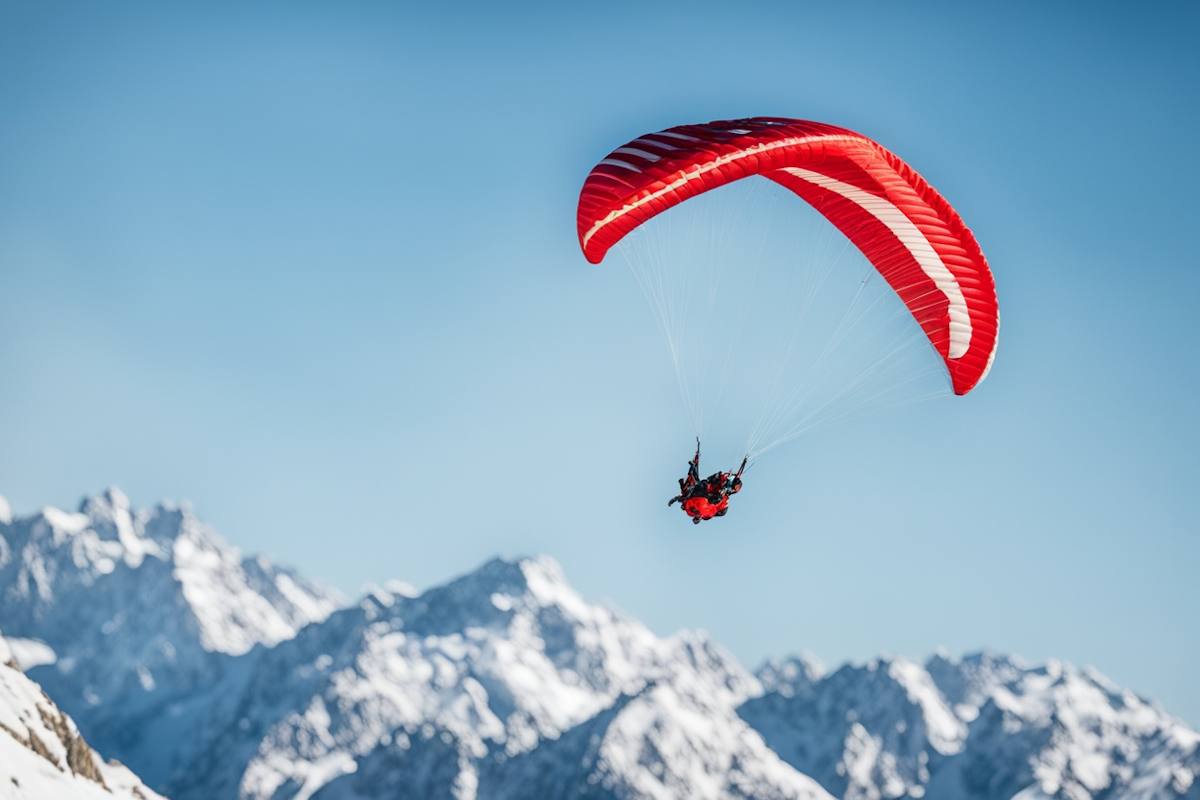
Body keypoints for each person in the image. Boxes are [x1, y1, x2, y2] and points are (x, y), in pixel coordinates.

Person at [668, 439, 746, 524]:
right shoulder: (707, 514)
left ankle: (695, 466)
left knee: (702, 486)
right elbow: (719, 507)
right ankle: (732, 480)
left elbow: (684, 497)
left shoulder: (689, 509)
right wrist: (722, 496)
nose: (697, 517)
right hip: (711, 494)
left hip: (702, 490)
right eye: (697, 518)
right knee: (717, 497)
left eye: (695, 518)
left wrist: (676, 499)